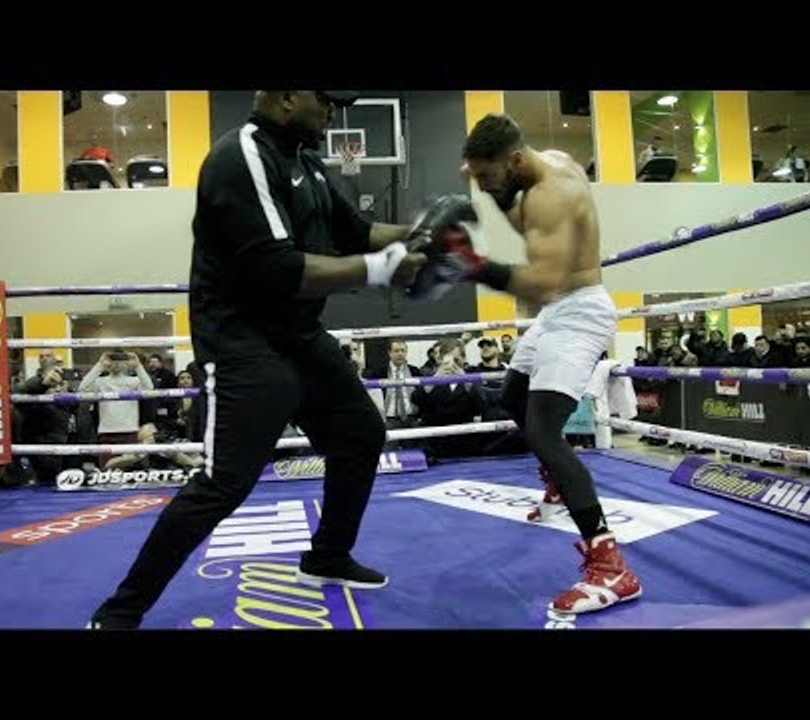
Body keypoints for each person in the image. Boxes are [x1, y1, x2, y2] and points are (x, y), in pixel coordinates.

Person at [88, 90, 425, 629]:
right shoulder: (241, 155)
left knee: (361, 433)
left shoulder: (305, 162)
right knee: (225, 482)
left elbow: (355, 233)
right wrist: (381, 268)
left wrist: (426, 233)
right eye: (326, 101)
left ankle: (328, 555)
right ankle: (119, 612)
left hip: (298, 334)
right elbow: (280, 267)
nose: (334, 113)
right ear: (288, 97)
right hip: (243, 341)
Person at [414, 113, 642, 614]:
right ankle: (559, 486)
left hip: (579, 310)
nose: (484, 185)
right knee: (514, 397)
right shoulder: (542, 166)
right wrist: (486, 184)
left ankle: (612, 565)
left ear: (513, 161)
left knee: (543, 431)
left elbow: (540, 282)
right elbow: (522, 216)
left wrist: (471, 264)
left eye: (489, 175)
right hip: (557, 310)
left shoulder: (552, 193)